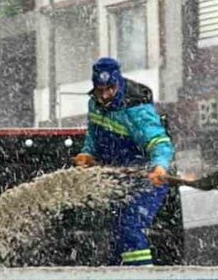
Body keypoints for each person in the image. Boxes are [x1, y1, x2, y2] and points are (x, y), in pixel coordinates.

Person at [73, 57, 176, 266]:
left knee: (131, 227)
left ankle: (142, 277)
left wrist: (160, 167)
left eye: (109, 89)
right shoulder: (94, 104)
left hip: (148, 179)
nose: (104, 95)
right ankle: (121, 274)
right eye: (100, 90)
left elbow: (160, 143)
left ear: (118, 83)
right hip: (120, 179)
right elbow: (93, 136)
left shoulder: (136, 108)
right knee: (116, 232)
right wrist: (87, 153)